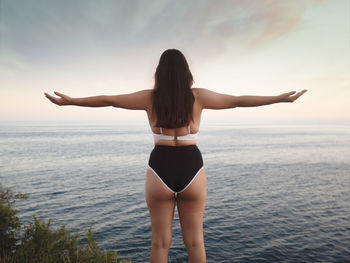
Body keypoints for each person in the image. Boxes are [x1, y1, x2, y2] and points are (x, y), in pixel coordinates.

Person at [44, 48, 307, 263]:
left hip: (160, 168)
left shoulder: (149, 98)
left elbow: (109, 99)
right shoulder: (199, 97)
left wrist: (72, 101)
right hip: (192, 167)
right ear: (186, 73)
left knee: (160, 243)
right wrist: (278, 99)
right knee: (195, 242)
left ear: (159, 73)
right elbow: (238, 100)